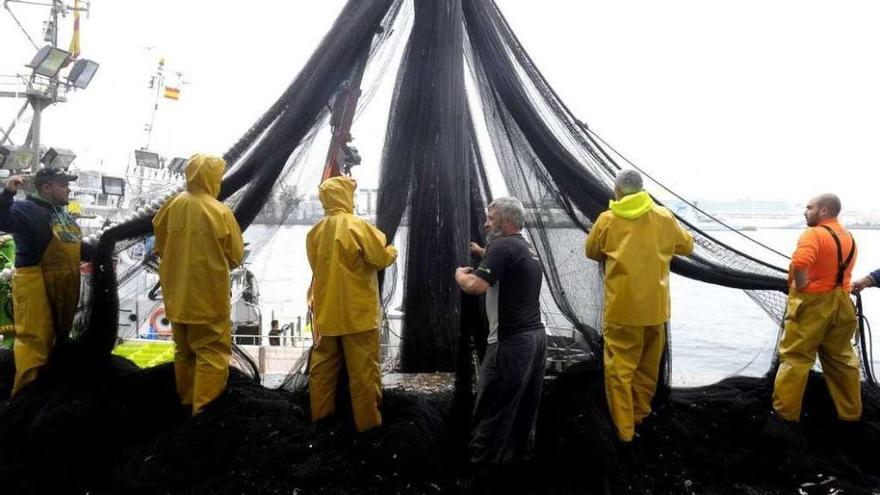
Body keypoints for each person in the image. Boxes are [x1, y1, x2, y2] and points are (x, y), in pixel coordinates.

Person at [585, 169, 693, 444]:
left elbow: (591, 251)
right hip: (655, 310)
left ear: (618, 190)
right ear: (641, 189)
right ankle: (639, 416)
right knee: (647, 367)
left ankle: (624, 431)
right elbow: (687, 246)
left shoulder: (607, 220)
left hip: (621, 310)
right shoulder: (664, 216)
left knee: (620, 371)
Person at [455, 196, 546, 468]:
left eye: (490, 218)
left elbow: (475, 286)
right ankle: (517, 468)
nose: (485, 223)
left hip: (510, 344)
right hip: (536, 341)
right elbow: (506, 263)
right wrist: (483, 253)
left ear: (506, 221)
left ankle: (481, 476)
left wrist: (460, 274)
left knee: (491, 412)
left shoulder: (502, 246)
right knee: (523, 413)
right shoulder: (523, 248)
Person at [153, 154, 244, 415]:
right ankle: (204, 414)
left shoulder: (170, 207)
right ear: (211, 177)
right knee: (211, 354)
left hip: (176, 297)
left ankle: (184, 403)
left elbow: (160, 247)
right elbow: (235, 256)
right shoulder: (220, 212)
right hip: (208, 298)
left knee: (184, 351)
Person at [306, 175, 397, 432]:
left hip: (326, 316)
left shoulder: (315, 233)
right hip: (358, 316)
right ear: (346, 196)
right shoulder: (358, 227)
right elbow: (380, 258)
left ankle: (321, 421)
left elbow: (316, 268)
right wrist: (392, 251)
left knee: (322, 371)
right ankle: (368, 427)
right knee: (364, 376)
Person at [0, 168, 91, 395]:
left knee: (56, 346)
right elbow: (3, 220)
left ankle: (45, 398)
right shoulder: (25, 209)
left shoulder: (64, 216)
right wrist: (7, 193)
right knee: (34, 344)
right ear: (47, 187)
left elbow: (77, 249)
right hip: (35, 287)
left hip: (62, 291)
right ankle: (25, 400)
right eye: (63, 184)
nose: (68, 188)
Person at [772, 193, 861, 424]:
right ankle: (851, 414)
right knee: (841, 359)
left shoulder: (814, 234)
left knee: (796, 357)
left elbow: (800, 262)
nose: (805, 211)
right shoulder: (848, 236)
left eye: (809, 207)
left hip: (814, 304)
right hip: (842, 302)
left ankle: (785, 416)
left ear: (823, 210)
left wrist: (800, 286)